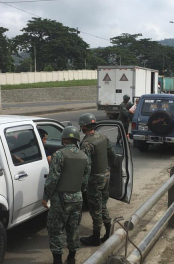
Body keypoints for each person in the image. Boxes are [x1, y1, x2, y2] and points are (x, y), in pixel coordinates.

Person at [42, 126, 91, 264]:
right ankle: (72, 257)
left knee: (55, 229)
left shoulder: (59, 155)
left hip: (60, 199)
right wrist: (78, 192)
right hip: (77, 198)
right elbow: (85, 180)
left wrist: (46, 197)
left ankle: (57, 260)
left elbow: (52, 179)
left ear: (64, 139)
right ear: (76, 139)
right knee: (73, 228)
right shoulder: (84, 156)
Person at [78, 113, 116, 246]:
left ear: (84, 126)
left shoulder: (86, 144)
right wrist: (110, 169)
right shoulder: (103, 138)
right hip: (105, 176)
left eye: (81, 126)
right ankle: (108, 232)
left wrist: (82, 184)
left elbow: (86, 166)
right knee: (103, 205)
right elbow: (112, 155)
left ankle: (95, 237)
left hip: (94, 180)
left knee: (95, 209)